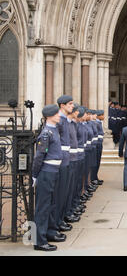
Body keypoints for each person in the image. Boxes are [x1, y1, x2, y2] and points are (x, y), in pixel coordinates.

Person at [32, 104, 65, 251]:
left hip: (53, 171)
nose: (59, 115)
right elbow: (39, 156)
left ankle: (49, 232)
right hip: (46, 172)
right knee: (42, 207)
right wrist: (34, 175)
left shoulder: (54, 130)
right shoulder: (46, 133)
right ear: (49, 116)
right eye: (57, 114)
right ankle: (39, 240)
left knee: (51, 204)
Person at [55, 95, 74, 231]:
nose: (72, 106)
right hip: (60, 161)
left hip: (66, 160)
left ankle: (60, 220)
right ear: (62, 105)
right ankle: (56, 222)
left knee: (64, 192)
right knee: (58, 194)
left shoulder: (65, 120)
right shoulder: (59, 120)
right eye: (70, 104)